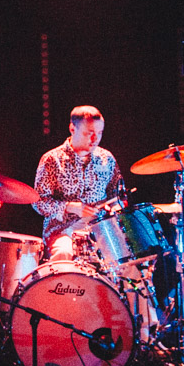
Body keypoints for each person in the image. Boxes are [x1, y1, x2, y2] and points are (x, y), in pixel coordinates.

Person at [32, 105, 123, 261]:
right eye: (89, 133)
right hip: (62, 229)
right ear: (72, 128)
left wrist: (115, 207)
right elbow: (38, 202)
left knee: (126, 254)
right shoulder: (52, 159)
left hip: (100, 228)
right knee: (64, 254)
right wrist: (69, 207)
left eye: (99, 133)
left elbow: (118, 195)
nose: (95, 139)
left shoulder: (107, 158)